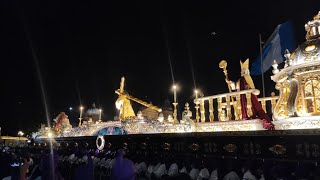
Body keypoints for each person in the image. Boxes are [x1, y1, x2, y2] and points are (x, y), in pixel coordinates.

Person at [228, 59, 274, 130]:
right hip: (242, 98)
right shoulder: (239, 81)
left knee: (253, 107)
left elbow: (254, 89)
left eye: (244, 70)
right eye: (242, 70)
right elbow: (235, 90)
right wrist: (231, 83)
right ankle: (245, 116)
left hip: (250, 98)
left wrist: (254, 91)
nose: (243, 72)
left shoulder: (248, 78)